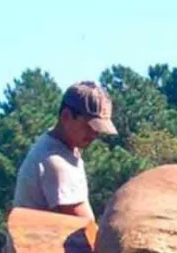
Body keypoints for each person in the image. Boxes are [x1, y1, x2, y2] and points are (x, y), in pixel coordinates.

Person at [13, 81, 117, 220]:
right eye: (89, 126)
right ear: (66, 117)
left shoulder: (59, 145)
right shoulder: (55, 161)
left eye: (98, 129)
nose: (94, 134)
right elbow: (83, 227)